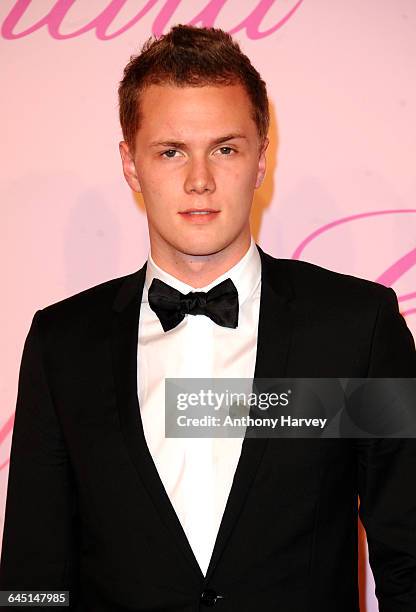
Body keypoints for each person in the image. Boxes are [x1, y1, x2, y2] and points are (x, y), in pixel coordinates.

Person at [0, 24, 415, 612]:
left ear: (261, 159)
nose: (200, 180)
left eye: (225, 148)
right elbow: (31, 579)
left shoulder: (356, 329)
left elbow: (409, 558)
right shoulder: (63, 343)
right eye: (171, 151)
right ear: (130, 164)